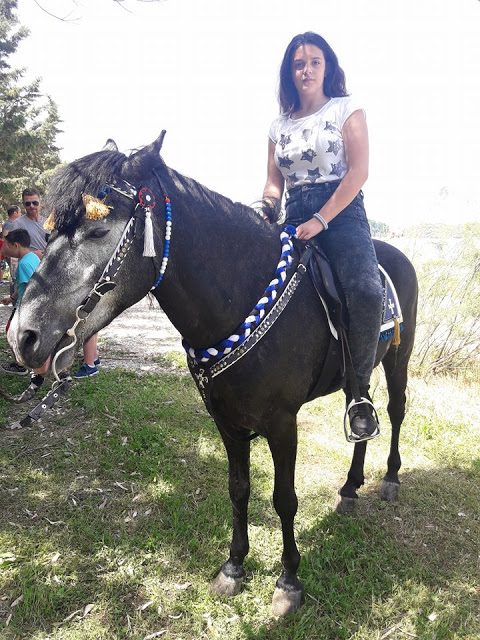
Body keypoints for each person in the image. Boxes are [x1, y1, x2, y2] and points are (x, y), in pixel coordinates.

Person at [263, 31, 383, 442]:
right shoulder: (279, 125)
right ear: (289, 72)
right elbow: (273, 184)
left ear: (327, 67)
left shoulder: (347, 109)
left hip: (343, 214)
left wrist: (322, 218)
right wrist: (263, 210)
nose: (307, 69)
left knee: (366, 292)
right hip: (292, 215)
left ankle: (359, 394)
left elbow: (358, 172)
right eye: (299, 63)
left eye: (315, 61)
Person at [1, 229, 48, 396]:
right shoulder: (32, 258)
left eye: (6, 245)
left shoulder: (23, 264)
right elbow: (22, 285)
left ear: (15, 245)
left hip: (26, 308)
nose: (3, 248)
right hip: (22, 304)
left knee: (14, 334)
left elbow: (32, 286)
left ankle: (25, 367)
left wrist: (26, 309)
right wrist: (11, 297)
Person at [10, 189, 49, 258]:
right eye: (28, 203)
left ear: (40, 202)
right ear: (23, 204)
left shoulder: (48, 222)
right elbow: (11, 250)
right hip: (30, 266)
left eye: (35, 203)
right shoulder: (17, 224)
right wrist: (32, 254)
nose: (31, 206)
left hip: (48, 265)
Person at [3, 205, 22, 295]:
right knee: (15, 278)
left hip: (14, 254)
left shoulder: (12, 223)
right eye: (20, 211)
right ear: (15, 213)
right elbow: (5, 237)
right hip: (12, 255)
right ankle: (14, 302)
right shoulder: (9, 224)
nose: (21, 214)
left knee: (15, 277)